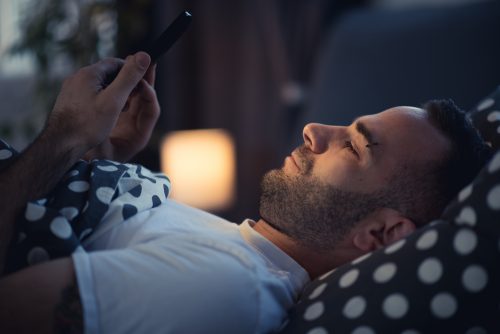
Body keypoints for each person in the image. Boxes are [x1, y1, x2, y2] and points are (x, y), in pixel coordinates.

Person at [0, 52, 492, 334]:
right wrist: (100, 157)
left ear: (381, 233)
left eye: (354, 146)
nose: (314, 130)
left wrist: (65, 136)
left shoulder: (228, 286)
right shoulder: (240, 253)